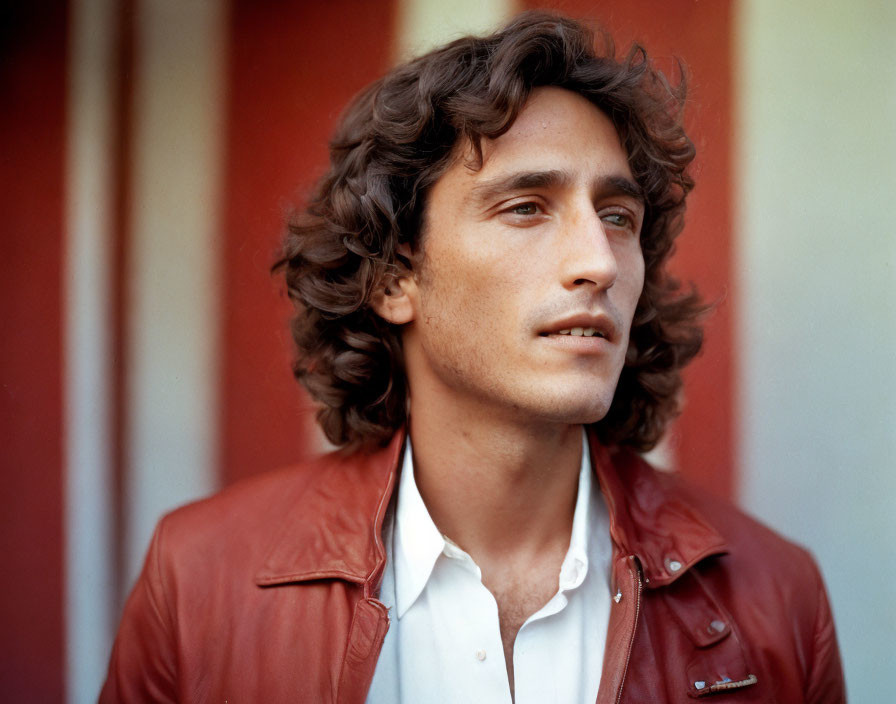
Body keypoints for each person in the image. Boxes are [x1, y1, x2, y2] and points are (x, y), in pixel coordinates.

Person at [100, 12, 845, 704]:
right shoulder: (198, 580)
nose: (599, 262)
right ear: (396, 276)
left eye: (617, 217)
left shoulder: (776, 595)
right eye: (526, 207)